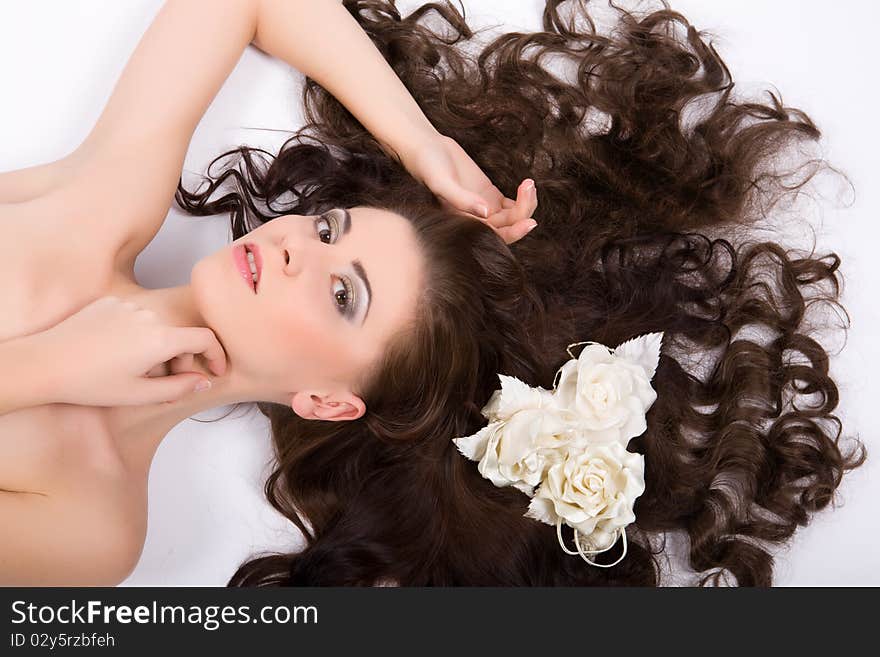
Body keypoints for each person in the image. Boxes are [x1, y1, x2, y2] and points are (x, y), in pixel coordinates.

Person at [0, 0, 867, 588]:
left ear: (328, 400)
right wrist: (423, 145)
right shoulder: (104, 209)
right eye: (331, 227)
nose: (297, 244)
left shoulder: (95, 523)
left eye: (344, 295)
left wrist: (47, 367)